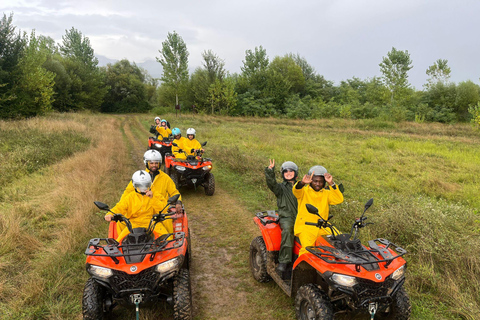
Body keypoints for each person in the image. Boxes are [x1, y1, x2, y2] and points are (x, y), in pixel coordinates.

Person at [119, 149, 183, 234]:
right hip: (140, 211)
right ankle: (119, 244)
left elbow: (174, 192)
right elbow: (127, 192)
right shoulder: (139, 177)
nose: (154, 165)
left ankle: (170, 242)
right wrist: (121, 207)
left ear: (159, 164)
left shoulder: (165, 178)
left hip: (159, 211)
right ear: (147, 163)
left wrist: (178, 202)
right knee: (120, 222)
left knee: (168, 223)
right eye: (151, 163)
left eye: (156, 163)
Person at [293, 165, 344, 257]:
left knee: (343, 242)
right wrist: (302, 183)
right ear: (310, 181)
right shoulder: (304, 191)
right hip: (306, 228)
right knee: (307, 251)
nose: (318, 184)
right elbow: (296, 190)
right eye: (315, 181)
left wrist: (331, 183)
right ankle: (301, 270)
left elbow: (339, 199)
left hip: (323, 227)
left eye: (321, 182)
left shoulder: (326, 193)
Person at [105, 170, 169, 241]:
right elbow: (119, 207)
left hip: (151, 223)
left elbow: (163, 209)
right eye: (140, 185)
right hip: (133, 224)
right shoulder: (130, 197)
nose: (143, 188)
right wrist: (110, 213)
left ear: (150, 184)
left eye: (146, 185)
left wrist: (152, 198)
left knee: (168, 239)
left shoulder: (155, 195)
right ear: (135, 185)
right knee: (119, 242)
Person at [265, 159, 298, 274]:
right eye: (285, 172)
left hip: (301, 216)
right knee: (288, 231)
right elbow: (271, 184)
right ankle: (284, 261)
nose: (288, 173)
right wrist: (270, 171)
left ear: (296, 173)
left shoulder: (301, 187)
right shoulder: (280, 188)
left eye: (291, 171)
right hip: (287, 216)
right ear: (283, 175)